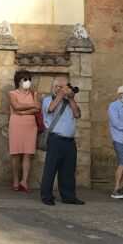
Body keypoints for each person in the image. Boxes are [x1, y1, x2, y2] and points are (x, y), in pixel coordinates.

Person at [40, 76, 84, 206]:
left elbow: (77, 114)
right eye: (62, 87)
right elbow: (50, 109)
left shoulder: (68, 101)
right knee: (50, 169)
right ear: (56, 87)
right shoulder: (48, 99)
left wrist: (71, 98)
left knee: (68, 170)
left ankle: (68, 196)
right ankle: (46, 196)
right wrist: (60, 94)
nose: (66, 89)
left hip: (69, 141)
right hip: (55, 139)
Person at [7, 70, 39, 193]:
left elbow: (37, 108)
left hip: (30, 125)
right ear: (18, 81)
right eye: (25, 79)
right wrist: (31, 106)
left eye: (29, 79)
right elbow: (16, 106)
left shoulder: (34, 93)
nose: (28, 82)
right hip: (16, 125)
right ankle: (15, 180)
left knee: (27, 153)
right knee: (15, 153)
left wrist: (23, 112)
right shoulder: (12, 93)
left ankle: (24, 181)